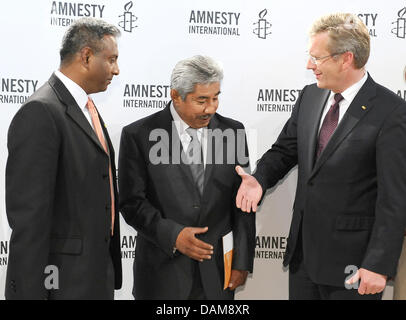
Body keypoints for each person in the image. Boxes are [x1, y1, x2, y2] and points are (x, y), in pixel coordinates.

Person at [235, 13, 406, 300]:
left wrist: (377, 264)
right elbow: (284, 151)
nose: (309, 65)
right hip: (304, 258)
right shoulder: (309, 97)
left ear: (345, 58)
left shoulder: (391, 111)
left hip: (354, 266)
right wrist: (260, 179)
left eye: (317, 58)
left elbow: (395, 197)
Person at [118, 55, 255, 300]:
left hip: (218, 276)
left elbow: (244, 202)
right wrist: (173, 235)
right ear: (176, 96)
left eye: (215, 98)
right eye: (201, 100)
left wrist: (242, 261)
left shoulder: (233, 132)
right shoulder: (138, 135)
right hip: (161, 276)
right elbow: (131, 203)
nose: (210, 108)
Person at [5, 17, 122, 299]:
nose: (117, 70)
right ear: (86, 56)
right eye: (111, 60)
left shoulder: (86, 108)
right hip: (61, 284)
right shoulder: (41, 112)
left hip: (94, 279)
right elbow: (30, 221)